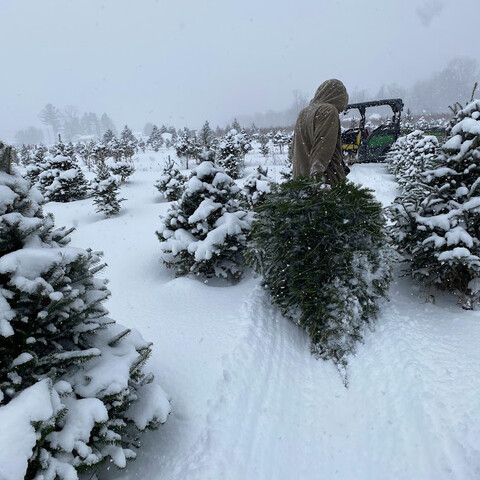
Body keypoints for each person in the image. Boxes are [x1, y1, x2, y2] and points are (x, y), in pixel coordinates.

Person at [292, 79, 350, 185]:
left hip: (301, 181)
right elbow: (323, 146)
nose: (340, 111)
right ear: (337, 97)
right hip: (326, 183)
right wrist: (317, 177)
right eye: (341, 108)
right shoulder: (328, 111)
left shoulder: (304, 113)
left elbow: (295, 148)